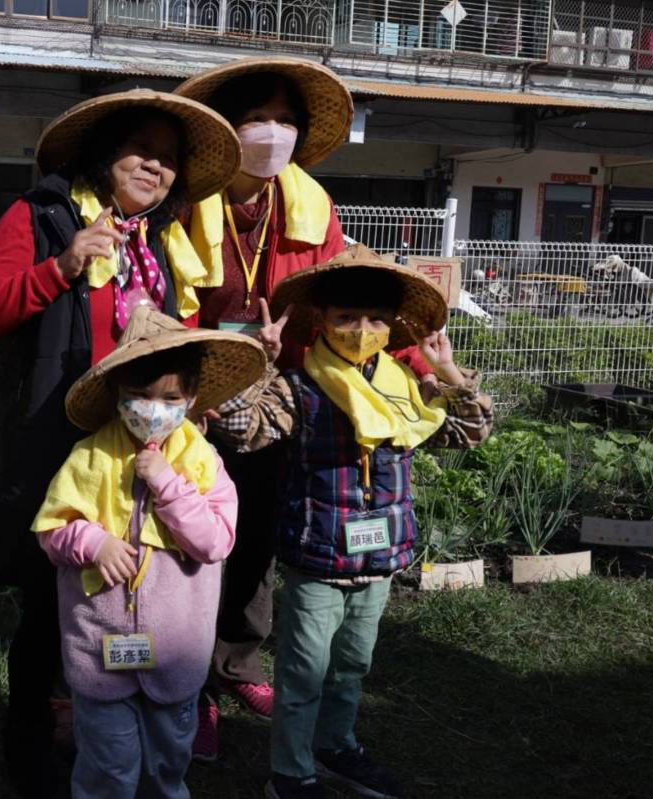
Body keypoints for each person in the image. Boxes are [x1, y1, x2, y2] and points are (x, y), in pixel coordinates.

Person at [0, 89, 241, 795]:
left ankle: (101, 730)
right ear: (104, 150)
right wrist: (60, 267)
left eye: (171, 159)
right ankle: (31, 748)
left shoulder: (160, 242)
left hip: (134, 446)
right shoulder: (44, 216)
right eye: (142, 149)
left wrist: (181, 405)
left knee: (121, 589)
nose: (157, 166)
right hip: (53, 440)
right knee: (46, 601)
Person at [174, 58, 437, 759]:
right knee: (191, 543)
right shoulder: (185, 199)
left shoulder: (314, 208)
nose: (272, 132)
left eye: (285, 120)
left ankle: (236, 662)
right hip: (191, 398)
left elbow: (346, 301)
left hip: (280, 399)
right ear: (224, 131)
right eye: (256, 117)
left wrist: (419, 366)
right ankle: (189, 683)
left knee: (259, 534)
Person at [209, 245, 494, 799]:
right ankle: (290, 773)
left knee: (352, 666)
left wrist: (449, 371)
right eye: (346, 318)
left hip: (381, 559)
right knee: (304, 673)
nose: (361, 329)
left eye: (375, 320)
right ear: (321, 320)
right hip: (318, 557)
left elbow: (470, 433)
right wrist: (259, 358)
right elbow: (241, 429)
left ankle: (335, 747)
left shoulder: (407, 389)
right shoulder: (299, 389)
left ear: (391, 327)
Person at [32, 305, 266, 798]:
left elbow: (214, 542)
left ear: (191, 399)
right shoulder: (88, 457)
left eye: (169, 398)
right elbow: (51, 531)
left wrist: (168, 485)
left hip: (175, 652)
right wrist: (93, 542)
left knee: (167, 763)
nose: (152, 409)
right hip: (100, 646)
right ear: (118, 395)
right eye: (139, 396)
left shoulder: (204, 463)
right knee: (107, 768)